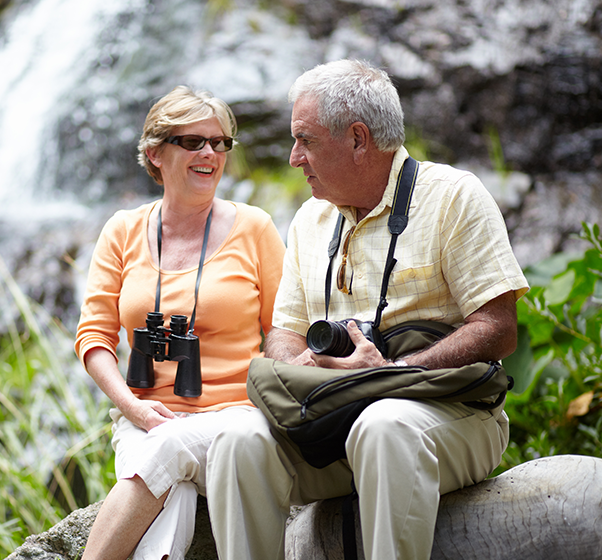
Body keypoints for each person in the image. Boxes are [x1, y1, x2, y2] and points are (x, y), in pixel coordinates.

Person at [206, 59, 530, 560]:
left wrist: (392, 373)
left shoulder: (453, 197)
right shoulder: (309, 220)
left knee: (383, 426)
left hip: (446, 415)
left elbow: (497, 329)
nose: (294, 158)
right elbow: (285, 333)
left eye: (306, 140)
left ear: (358, 139)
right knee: (234, 438)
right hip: (333, 418)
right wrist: (307, 366)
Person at [74, 85, 285, 560]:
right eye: (193, 142)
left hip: (237, 425)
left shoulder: (255, 229)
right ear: (155, 153)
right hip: (143, 420)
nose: (210, 152)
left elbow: (283, 333)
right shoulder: (122, 230)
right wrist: (133, 408)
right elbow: (94, 337)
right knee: (175, 490)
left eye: (221, 142)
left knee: (169, 447)